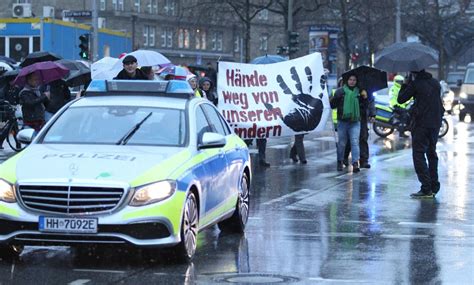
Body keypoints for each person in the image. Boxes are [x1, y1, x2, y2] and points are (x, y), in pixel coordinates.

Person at [398, 69, 444, 198]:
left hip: (421, 124)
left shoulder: (415, 84)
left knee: (418, 154)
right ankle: (434, 186)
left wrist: (406, 84)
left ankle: (426, 188)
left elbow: (401, 99)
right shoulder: (435, 83)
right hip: (435, 123)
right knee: (431, 153)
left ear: (413, 73)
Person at [330, 74, 366, 173]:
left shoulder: (359, 92)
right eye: (350, 79)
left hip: (355, 122)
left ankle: (355, 163)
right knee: (342, 143)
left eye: (354, 80)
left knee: (354, 142)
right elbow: (332, 105)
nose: (352, 81)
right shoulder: (340, 91)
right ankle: (340, 161)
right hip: (342, 121)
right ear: (347, 81)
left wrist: (364, 98)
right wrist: (335, 98)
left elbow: (364, 107)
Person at [343, 88, 375, 168]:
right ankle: (344, 157)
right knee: (350, 139)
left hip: (362, 118)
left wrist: (372, 114)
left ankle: (364, 161)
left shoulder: (368, 91)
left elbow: (371, 104)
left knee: (363, 138)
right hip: (352, 117)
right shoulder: (351, 88)